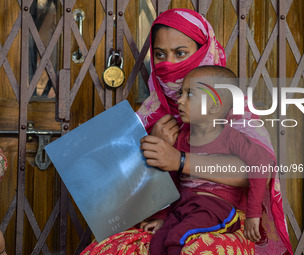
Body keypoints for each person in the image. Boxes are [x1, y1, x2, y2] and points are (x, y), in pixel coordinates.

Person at [81, 8, 292, 255]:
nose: (169, 64)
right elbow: (117, 189)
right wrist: (150, 149)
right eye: (160, 55)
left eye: (180, 53)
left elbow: (253, 170)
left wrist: (178, 159)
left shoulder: (232, 107)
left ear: (204, 52)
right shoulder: (152, 112)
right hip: (170, 215)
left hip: (223, 218)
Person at [140, 65, 274, 254]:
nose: (180, 100)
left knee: (178, 236)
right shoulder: (180, 140)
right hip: (184, 207)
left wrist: (254, 214)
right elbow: (171, 181)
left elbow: (261, 165)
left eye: (190, 95)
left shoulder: (231, 137)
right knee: (158, 240)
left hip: (215, 208)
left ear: (214, 105)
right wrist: (163, 216)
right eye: (181, 93)